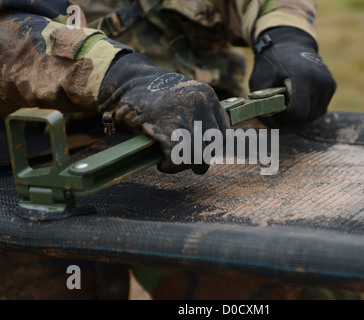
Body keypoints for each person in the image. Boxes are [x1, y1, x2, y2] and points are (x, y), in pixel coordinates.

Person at [0, 0, 337, 299]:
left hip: (196, 141)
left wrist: (285, 35)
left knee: (269, 279)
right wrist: (120, 77)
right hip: (30, 166)